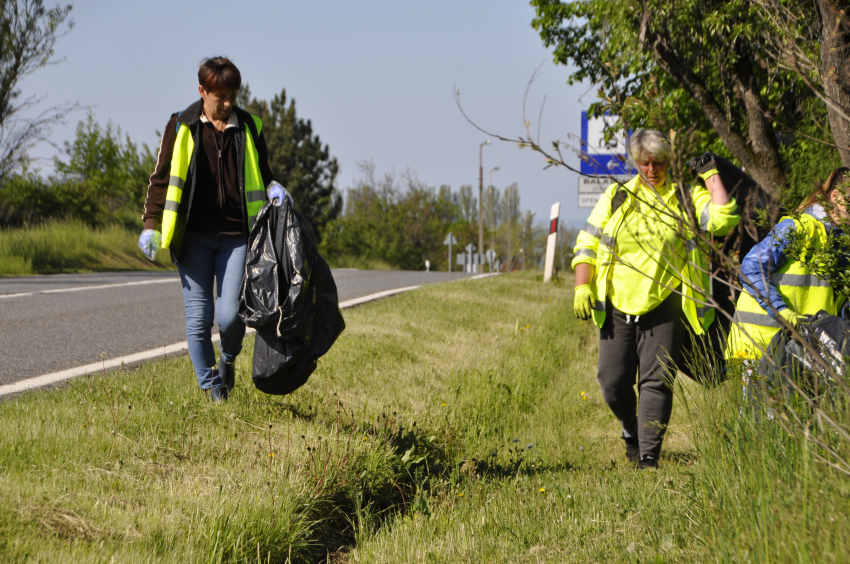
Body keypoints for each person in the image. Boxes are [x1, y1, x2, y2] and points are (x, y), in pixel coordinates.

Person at [572, 129, 740, 468]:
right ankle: (630, 432)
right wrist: (582, 285)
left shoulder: (686, 199)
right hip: (617, 304)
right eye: (645, 163)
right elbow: (586, 243)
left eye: (659, 162)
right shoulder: (618, 197)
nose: (652, 170)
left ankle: (648, 459)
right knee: (612, 382)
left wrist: (710, 175)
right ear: (636, 163)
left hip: (667, 303)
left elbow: (724, 219)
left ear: (669, 162)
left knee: (656, 381)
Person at [138, 56, 289, 402]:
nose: (227, 103)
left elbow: (264, 175)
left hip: (238, 237)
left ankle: (228, 358)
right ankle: (211, 388)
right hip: (192, 238)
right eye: (219, 96)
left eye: (232, 95)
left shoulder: (250, 126)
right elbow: (160, 180)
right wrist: (151, 224)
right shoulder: (181, 126)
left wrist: (274, 189)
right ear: (202, 91)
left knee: (231, 314)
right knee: (199, 317)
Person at [726, 168, 849, 381]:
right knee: (763, 414)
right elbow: (751, 269)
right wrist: (782, 311)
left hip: (805, 345)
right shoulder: (800, 227)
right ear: (836, 197)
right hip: (763, 341)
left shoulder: (841, 244)